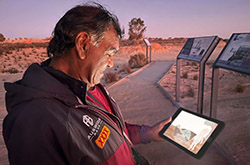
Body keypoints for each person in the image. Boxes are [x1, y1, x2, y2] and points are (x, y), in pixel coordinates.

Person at [3, 3, 171, 165]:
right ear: (82, 44)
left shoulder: (89, 86)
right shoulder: (34, 121)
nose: (111, 63)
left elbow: (113, 132)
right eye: (109, 53)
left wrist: (147, 133)